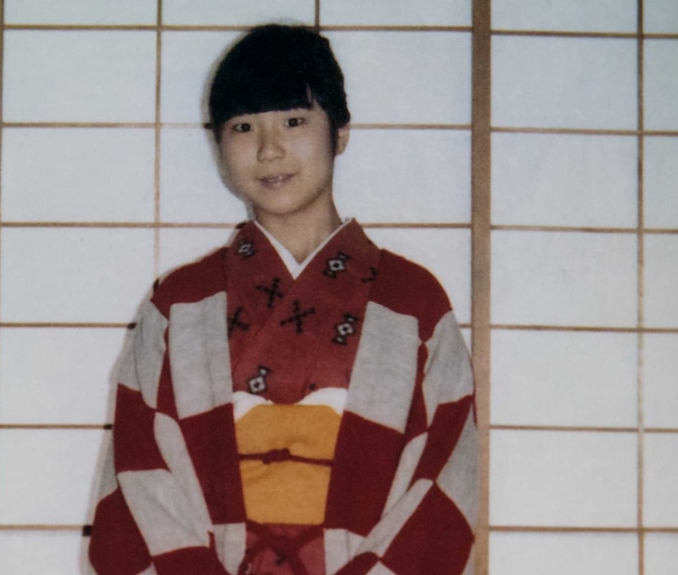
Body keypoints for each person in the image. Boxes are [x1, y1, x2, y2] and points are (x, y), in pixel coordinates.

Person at [88, 24, 477, 575]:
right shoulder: (179, 304)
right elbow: (139, 473)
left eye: (294, 121)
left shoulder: (412, 303)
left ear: (340, 132)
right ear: (219, 146)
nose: (270, 149)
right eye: (244, 127)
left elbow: (444, 479)